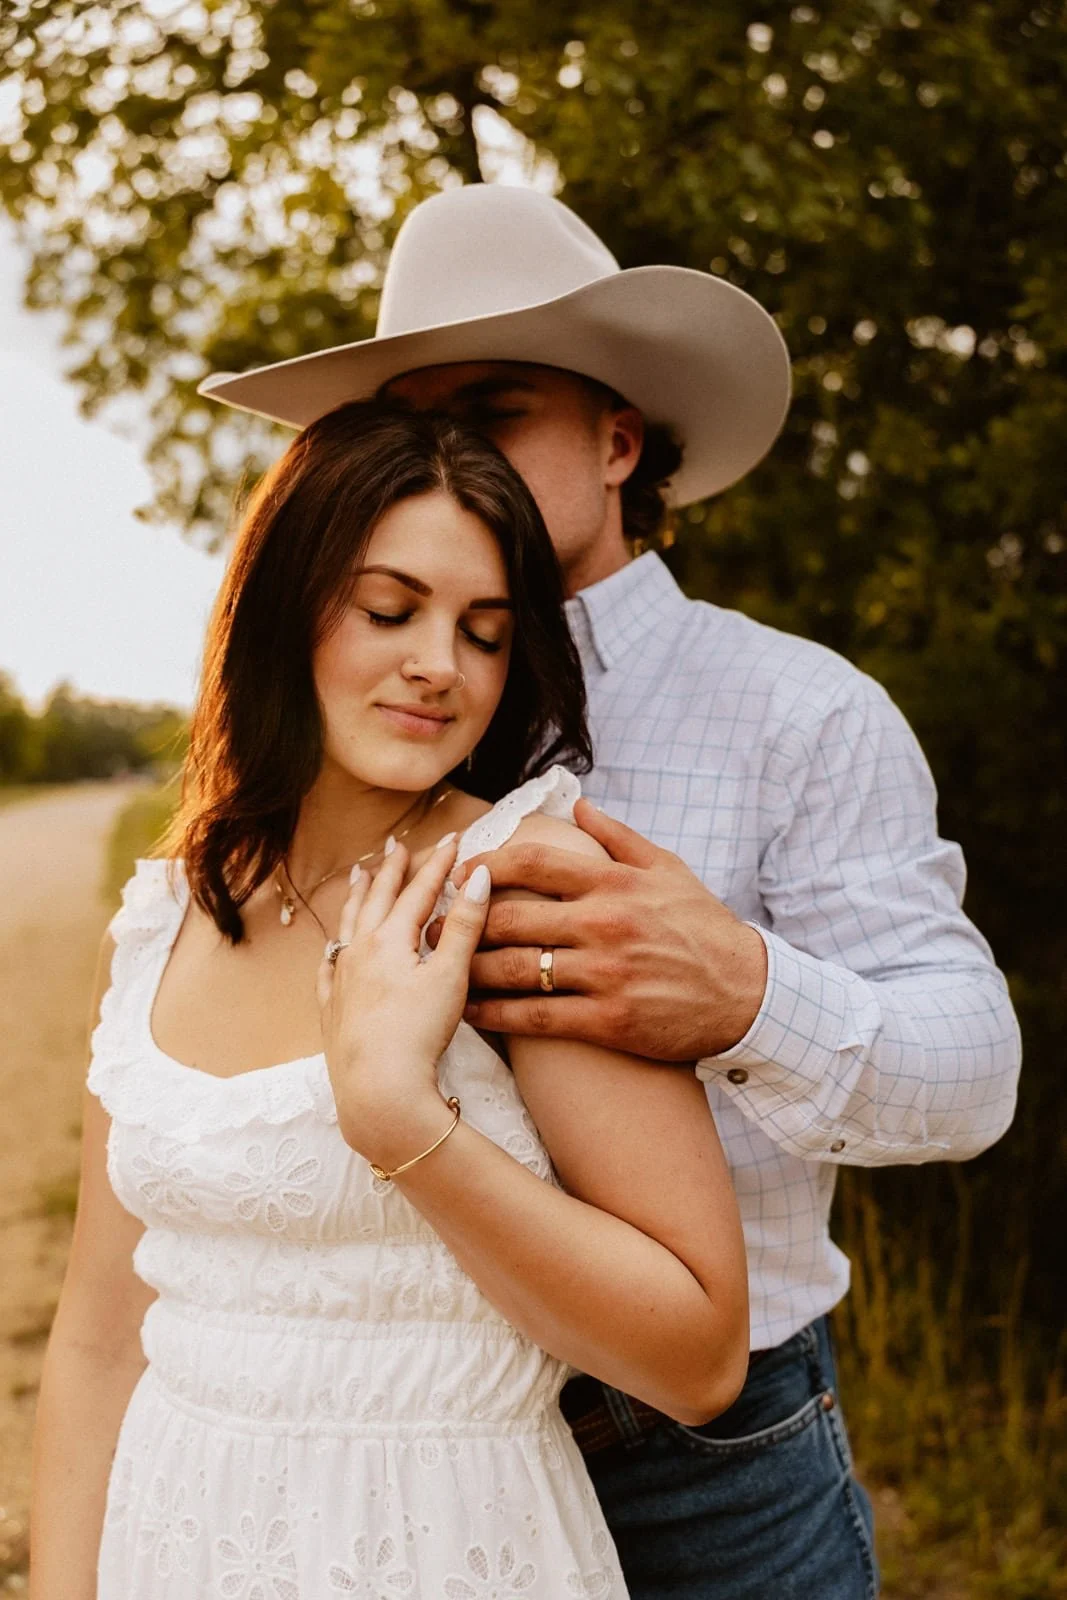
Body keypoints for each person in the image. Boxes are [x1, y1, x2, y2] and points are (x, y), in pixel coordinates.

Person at [195, 183, 1024, 1599]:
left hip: (699, 1461)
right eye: (423, 415)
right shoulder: (353, 695)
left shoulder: (797, 713)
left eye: (498, 409)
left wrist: (746, 996)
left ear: (617, 438)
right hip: (398, 1449)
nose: (454, 452)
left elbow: (973, 1075)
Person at [29, 399, 750, 1598]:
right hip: (171, 1542)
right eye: (388, 609)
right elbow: (100, 1337)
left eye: (482, 631)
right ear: (283, 605)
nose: (439, 665)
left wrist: (401, 1123)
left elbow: (698, 1352)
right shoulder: (171, 909)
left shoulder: (526, 891)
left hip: (442, 1550)